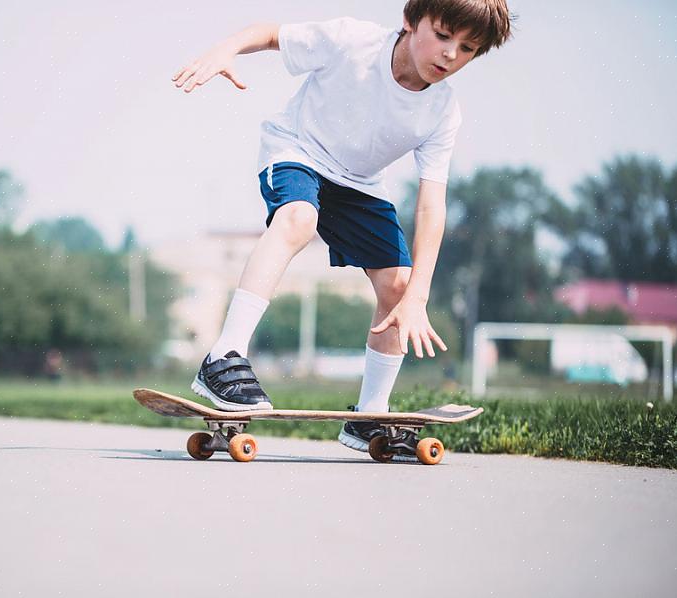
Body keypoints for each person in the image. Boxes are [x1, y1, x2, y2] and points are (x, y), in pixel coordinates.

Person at [172, 0, 512, 455]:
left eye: (468, 48)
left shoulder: (442, 112)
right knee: (298, 218)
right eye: (443, 35)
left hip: (359, 185)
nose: (450, 55)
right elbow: (272, 34)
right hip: (298, 152)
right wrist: (225, 50)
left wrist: (418, 297)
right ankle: (224, 356)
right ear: (412, 21)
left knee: (398, 284)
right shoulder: (353, 41)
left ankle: (370, 413)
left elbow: (432, 206)